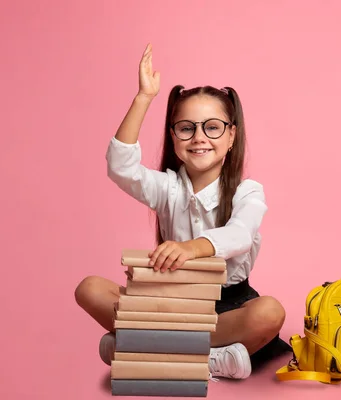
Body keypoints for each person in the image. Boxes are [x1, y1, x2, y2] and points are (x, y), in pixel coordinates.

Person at [74, 43, 290, 380]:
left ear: (232, 135)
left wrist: (190, 249)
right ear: (173, 136)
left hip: (228, 308)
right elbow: (120, 167)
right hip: (170, 304)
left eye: (213, 127)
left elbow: (240, 235)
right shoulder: (167, 188)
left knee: (270, 312)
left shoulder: (248, 191)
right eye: (186, 127)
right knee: (89, 288)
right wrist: (144, 98)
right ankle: (208, 358)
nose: (199, 137)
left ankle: (146, 349)